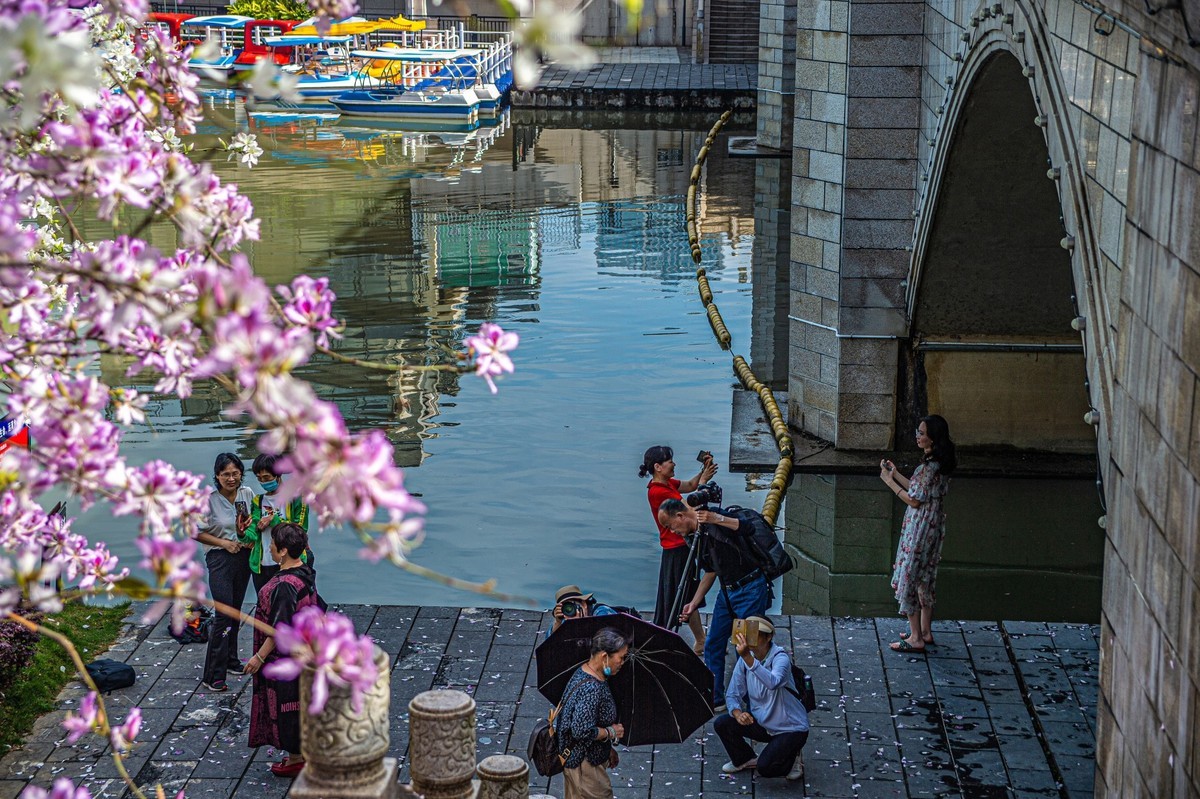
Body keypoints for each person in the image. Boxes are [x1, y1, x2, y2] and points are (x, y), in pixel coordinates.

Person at [658, 498, 770, 709]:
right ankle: (716, 698)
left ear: (680, 516)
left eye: (670, 526)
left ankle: (747, 699)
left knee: (745, 647)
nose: (671, 531)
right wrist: (693, 602)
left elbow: (747, 528)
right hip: (727, 592)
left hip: (751, 587)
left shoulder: (715, 517)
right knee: (712, 644)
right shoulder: (696, 537)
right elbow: (711, 570)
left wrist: (716, 519)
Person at [245, 522, 322, 778]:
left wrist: (259, 657)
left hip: (286, 659)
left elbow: (280, 628)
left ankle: (296, 758)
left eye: (273, 546)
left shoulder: (285, 585)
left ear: (283, 551)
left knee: (288, 706)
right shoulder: (305, 572)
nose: (270, 548)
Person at [880, 414, 957, 653]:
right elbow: (918, 487)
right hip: (933, 524)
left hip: (921, 525)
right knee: (924, 576)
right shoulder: (939, 464)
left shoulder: (928, 468)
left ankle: (915, 638)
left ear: (933, 438)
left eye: (922, 433)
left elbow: (913, 499)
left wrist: (889, 482)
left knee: (910, 575)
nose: (918, 436)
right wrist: (896, 474)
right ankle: (925, 630)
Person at [639, 445, 717, 652]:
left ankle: (700, 640)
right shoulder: (658, 491)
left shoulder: (668, 483)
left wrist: (703, 473)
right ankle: (683, 638)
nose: (674, 464)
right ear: (658, 466)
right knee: (679, 594)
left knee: (685, 593)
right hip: (676, 547)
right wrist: (703, 484)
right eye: (670, 461)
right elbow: (690, 510)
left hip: (683, 544)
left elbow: (691, 485)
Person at [714, 616, 808, 781]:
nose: (749, 639)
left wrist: (748, 659)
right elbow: (732, 694)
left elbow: (773, 682)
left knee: (766, 768)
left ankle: (793, 755)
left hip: (790, 728)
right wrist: (738, 714)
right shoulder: (746, 659)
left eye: (755, 634)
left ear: (769, 637)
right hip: (763, 723)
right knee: (722, 723)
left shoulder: (780, 659)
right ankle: (744, 759)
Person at [194, 452, 255, 693]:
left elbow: (250, 521)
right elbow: (195, 532)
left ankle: (231, 660)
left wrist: (249, 536)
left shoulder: (247, 494)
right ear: (217, 476)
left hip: (243, 555)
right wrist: (224, 543)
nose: (231, 478)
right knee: (223, 613)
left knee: (235, 611)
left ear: (241, 474)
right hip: (219, 557)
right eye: (225, 474)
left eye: (235, 473)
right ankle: (213, 675)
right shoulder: (207, 501)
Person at [556, 628, 629, 799]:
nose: (623, 662)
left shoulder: (587, 672)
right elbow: (581, 730)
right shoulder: (591, 689)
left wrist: (606, 749)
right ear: (605, 657)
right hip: (584, 766)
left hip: (587, 759)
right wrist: (612, 732)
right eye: (621, 657)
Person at [246, 452, 314, 595]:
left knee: (293, 605)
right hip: (262, 563)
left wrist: (274, 520)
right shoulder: (258, 501)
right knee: (265, 603)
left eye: (267, 478)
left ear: (278, 475)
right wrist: (242, 531)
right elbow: (251, 534)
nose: (263, 482)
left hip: (289, 563)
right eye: (259, 479)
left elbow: (300, 531)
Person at [549, 585, 618, 638]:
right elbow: (548, 643)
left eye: (573, 606)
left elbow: (606, 640)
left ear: (584, 604)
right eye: (566, 608)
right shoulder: (566, 618)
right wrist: (558, 622)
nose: (570, 610)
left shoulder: (601, 612)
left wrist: (579, 623)